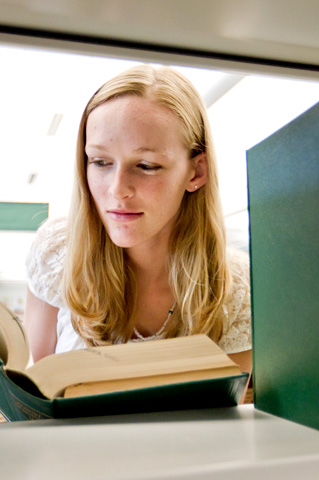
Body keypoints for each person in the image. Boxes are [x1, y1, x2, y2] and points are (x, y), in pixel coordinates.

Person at [24, 64, 252, 401]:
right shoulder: (55, 251)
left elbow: (230, 411)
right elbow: (42, 385)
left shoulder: (236, 287)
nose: (117, 190)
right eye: (100, 162)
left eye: (146, 166)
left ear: (196, 172)